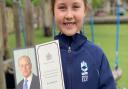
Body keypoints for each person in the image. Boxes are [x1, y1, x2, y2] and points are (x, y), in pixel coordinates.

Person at [51, 0, 117, 89]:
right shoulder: (43, 56)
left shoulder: (97, 54)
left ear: (85, 10)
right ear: (53, 11)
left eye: (75, 7)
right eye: (62, 8)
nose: (69, 15)